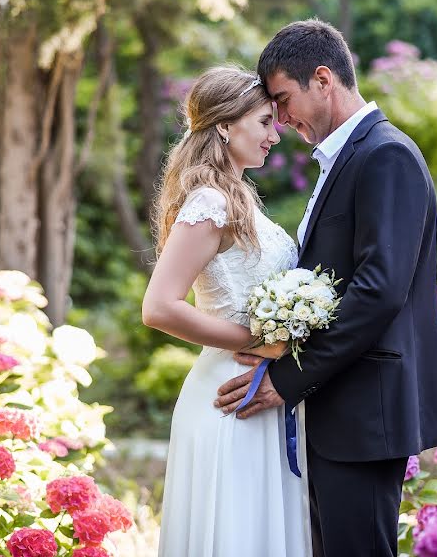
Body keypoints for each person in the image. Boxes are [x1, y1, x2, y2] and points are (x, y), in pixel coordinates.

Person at [215, 19, 437, 557]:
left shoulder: (384, 155)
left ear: (323, 79)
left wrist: (290, 375)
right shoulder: (342, 158)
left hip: (366, 416)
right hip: (342, 411)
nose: (278, 118)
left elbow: (378, 289)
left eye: (282, 99)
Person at [142, 66, 313, 557]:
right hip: (228, 394)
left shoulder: (237, 197)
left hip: (259, 391)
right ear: (224, 126)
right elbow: (158, 306)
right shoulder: (210, 201)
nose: (273, 136)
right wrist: (253, 341)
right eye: (263, 122)